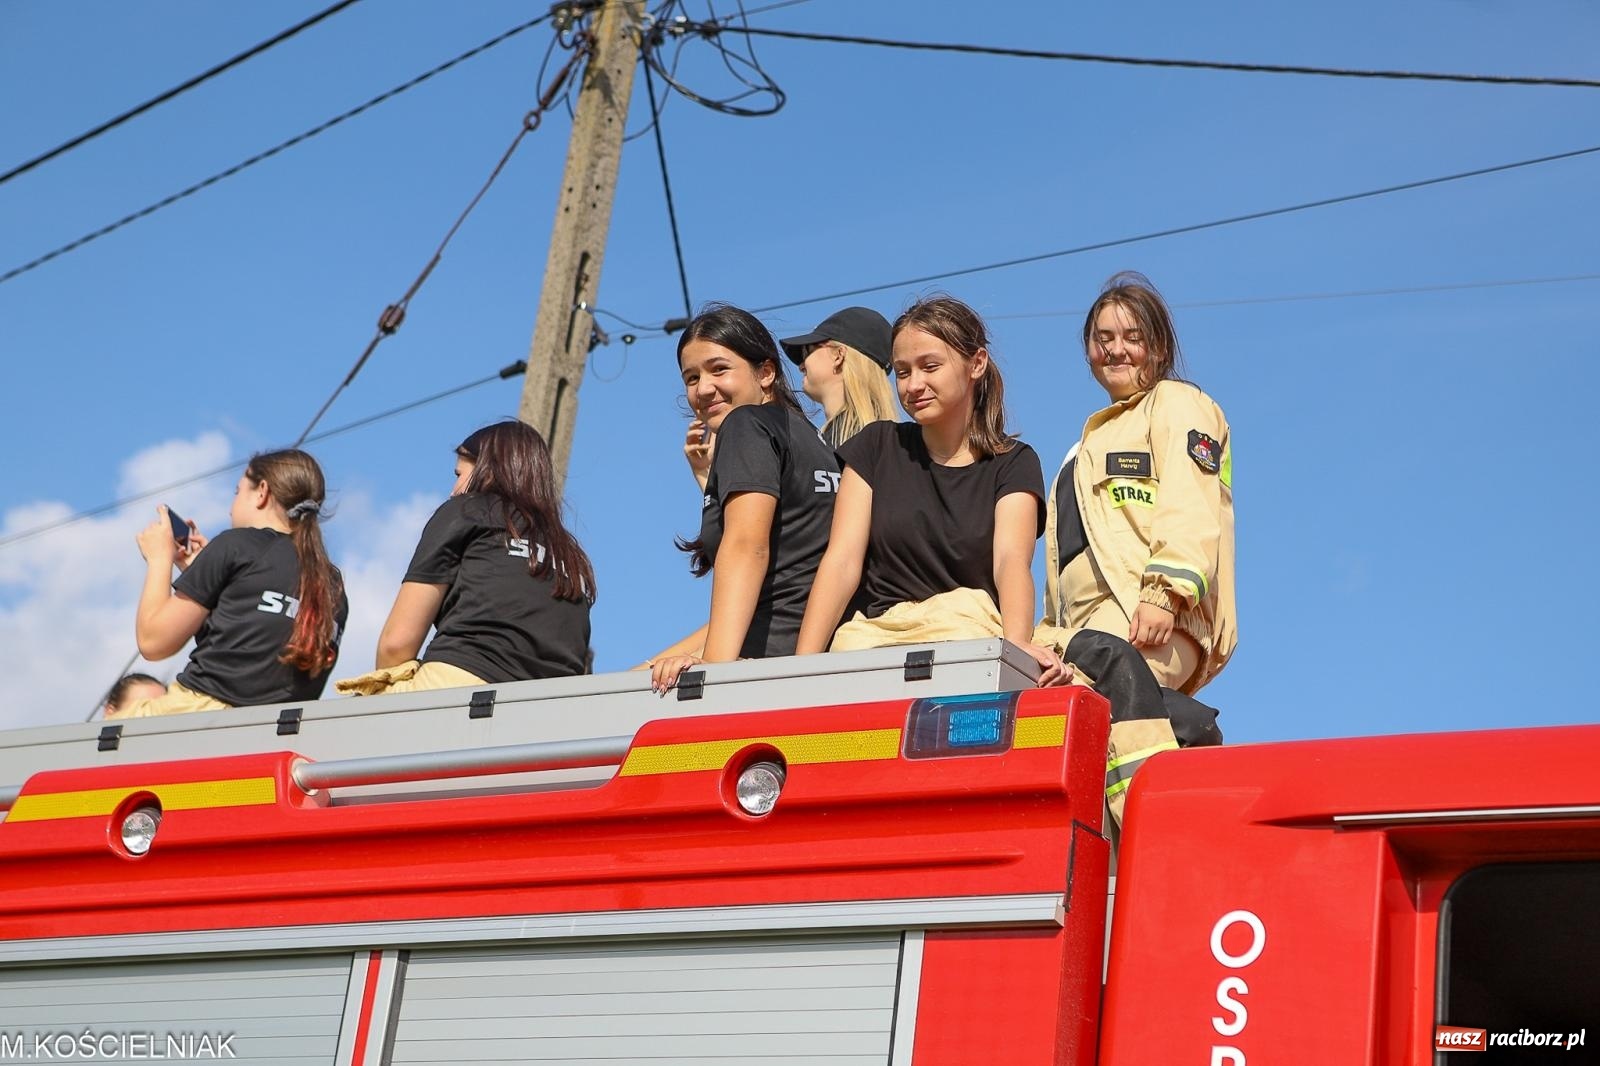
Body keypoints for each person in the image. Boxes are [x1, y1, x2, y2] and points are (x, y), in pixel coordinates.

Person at [793, 295, 1068, 684]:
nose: (914, 385)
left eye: (930, 366)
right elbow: (841, 562)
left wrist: (1017, 645)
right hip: (876, 642)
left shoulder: (1013, 462)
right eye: (902, 372)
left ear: (977, 363)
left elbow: (1010, 560)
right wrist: (800, 668)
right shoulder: (875, 446)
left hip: (966, 639)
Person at [1039, 272, 1236, 695]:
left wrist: (1164, 595)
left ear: (1159, 347)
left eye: (1133, 337)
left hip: (1146, 613)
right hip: (1081, 627)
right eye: (1103, 338)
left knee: (1090, 704)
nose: (1116, 349)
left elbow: (1191, 504)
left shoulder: (1179, 404)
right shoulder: (1078, 453)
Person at [647, 304, 843, 692]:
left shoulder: (747, 424)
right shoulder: (814, 441)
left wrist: (713, 668)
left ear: (765, 372)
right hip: (822, 659)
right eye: (691, 377)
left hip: (766, 669)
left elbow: (747, 546)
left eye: (719, 369)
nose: (703, 389)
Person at [337, 421, 594, 696]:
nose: (454, 490)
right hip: (550, 707)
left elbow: (396, 644)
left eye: (459, 474)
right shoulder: (573, 557)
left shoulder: (466, 511)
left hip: (460, 686)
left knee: (348, 714)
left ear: (489, 471)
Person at [113, 450, 348, 719]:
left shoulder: (235, 545)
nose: (230, 507)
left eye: (237, 492)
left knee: (103, 729)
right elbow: (250, 644)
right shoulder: (333, 586)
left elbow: (153, 642)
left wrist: (159, 558)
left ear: (262, 492)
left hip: (198, 714)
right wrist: (205, 578)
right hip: (274, 730)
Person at [778, 306, 900, 449]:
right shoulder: (892, 443)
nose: (801, 366)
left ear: (838, 356)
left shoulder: (834, 446)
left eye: (807, 352)